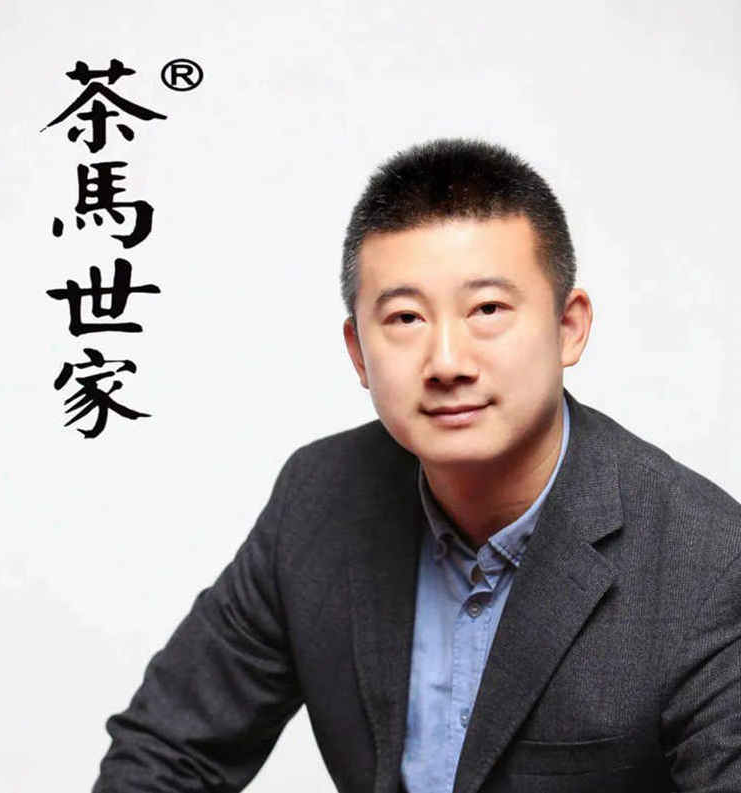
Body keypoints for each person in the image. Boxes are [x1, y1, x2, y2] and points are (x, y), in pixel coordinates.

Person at [93, 139, 741, 792]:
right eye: (406, 317)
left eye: (487, 309)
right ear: (358, 351)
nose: (447, 362)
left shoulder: (708, 562)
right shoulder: (319, 498)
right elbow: (166, 754)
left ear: (568, 327)